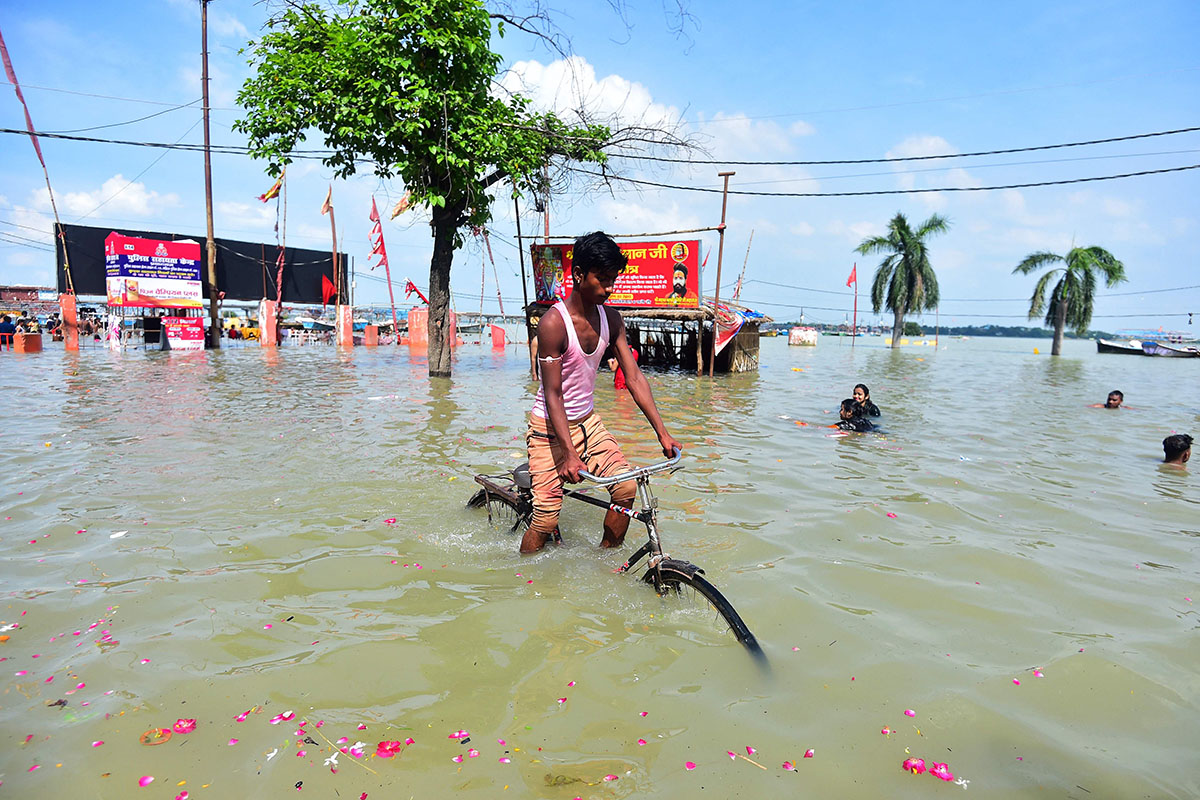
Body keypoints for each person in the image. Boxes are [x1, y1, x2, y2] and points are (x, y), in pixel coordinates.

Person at [524, 231, 682, 554]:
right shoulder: (553, 324)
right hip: (549, 430)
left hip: (589, 424)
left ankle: (605, 563)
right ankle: (522, 573)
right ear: (578, 274)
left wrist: (663, 433)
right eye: (603, 279)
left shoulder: (612, 319)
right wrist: (569, 453)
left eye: (613, 279)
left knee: (625, 488)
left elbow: (634, 377)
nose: (609, 288)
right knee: (546, 518)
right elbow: (552, 394)